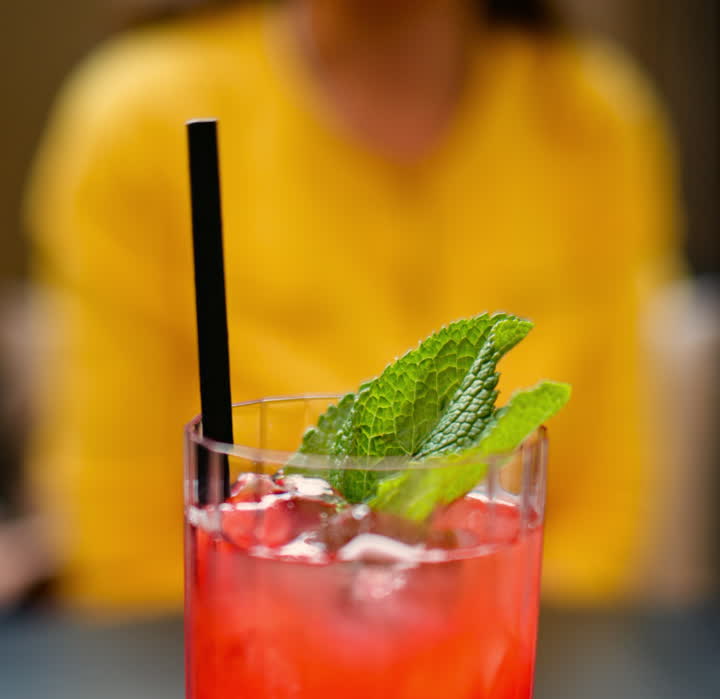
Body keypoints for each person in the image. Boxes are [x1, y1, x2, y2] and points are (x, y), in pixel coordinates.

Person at [24, 0, 684, 611]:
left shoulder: (593, 119)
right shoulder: (139, 118)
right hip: (226, 662)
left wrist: (421, 641)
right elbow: (117, 550)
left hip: (519, 679)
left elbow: (605, 522)